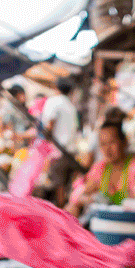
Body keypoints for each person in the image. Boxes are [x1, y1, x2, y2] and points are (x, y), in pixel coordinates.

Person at [64, 121, 135, 216]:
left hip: (131, 223)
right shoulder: (100, 168)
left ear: (124, 142)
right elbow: (78, 195)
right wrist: (88, 199)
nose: (107, 149)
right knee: (70, 209)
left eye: (112, 142)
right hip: (104, 225)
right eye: (103, 144)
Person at [38, 78, 81, 207]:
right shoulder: (71, 106)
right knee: (64, 187)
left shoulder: (54, 102)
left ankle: (59, 215)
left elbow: (50, 124)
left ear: (56, 88)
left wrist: (44, 141)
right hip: (70, 151)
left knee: (58, 186)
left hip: (58, 151)